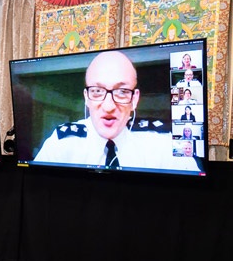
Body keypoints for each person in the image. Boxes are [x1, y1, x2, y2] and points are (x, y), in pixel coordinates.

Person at [34, 51, 199, 171]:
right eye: (97, 91)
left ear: (134, 99)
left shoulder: (163, 143)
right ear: (86, 98)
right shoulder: (61, 142)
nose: (108, 106)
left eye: (121, 92)